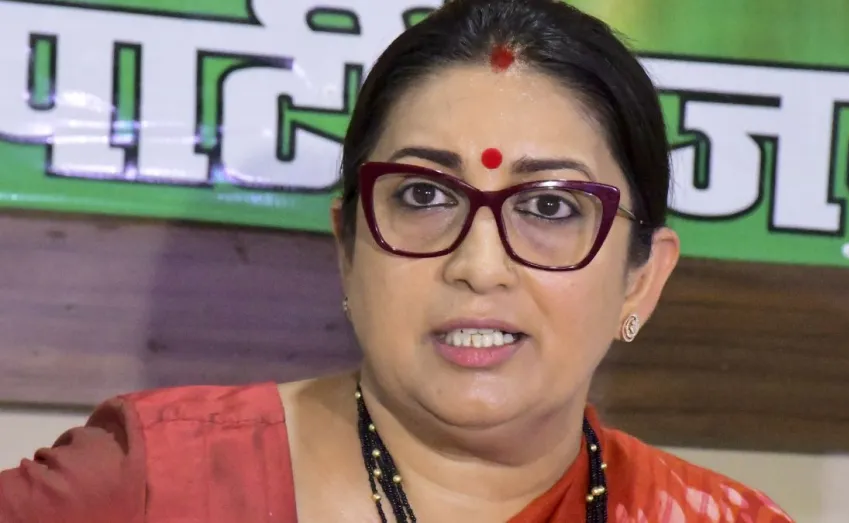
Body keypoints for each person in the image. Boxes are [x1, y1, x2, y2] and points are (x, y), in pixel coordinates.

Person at [0, 1, 795, 522]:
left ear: (641, 279)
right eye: (424, 195)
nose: (480, 264)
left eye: (550, 206)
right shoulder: (154, 486)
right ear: (347, 246)